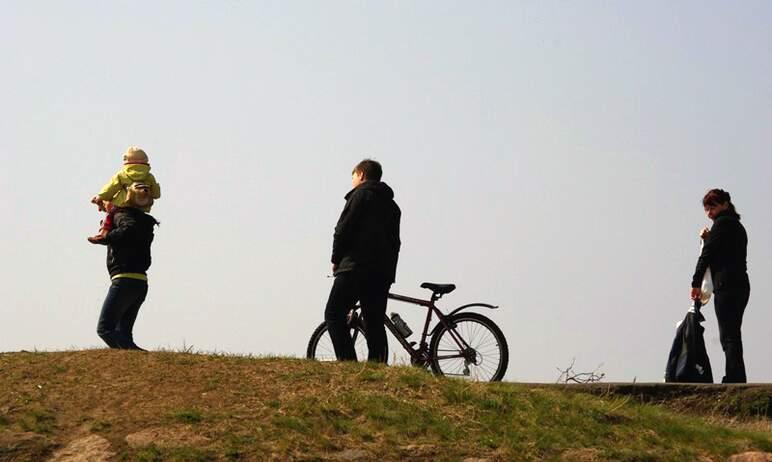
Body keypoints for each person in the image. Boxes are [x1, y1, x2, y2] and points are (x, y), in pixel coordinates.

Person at [325, 159, 401, 362]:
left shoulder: (360, 195)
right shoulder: (393, 206)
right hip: (382, 272)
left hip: (355, 267)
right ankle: (377, 366)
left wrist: (336, 259)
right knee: (374, 320)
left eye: (352, 176)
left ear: (361, 174)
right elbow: (396, 243)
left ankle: (348, 363)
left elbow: (342, 230)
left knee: (333, 314)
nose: (352, 181)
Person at [690, 189, 750, 383]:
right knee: (733, 332)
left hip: (726, 285)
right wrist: (710, 238)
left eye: (712, 207)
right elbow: (725, 252)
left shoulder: (721, 224)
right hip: (741, 284)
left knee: (728, 335)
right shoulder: (738, 227)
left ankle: (734, 377)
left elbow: (707, 255)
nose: (709, 213)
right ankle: (735, 375)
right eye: (707, 209)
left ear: (725, 203)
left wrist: (696, 283)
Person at [95, 205, 159, 350]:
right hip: (140, 282)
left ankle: (139, 356)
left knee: (105, 329)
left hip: (124, 280)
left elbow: (128, 230)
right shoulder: (142, 220)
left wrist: (106, 237)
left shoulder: (119, 215)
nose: (101, 208)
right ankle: (137, 364)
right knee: (123, 333)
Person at [88, 146, 161, 244]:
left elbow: (111, 188)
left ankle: (103, 233)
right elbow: (156, 194)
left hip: (122, 207)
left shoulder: (122, 174)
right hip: (141, 209)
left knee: (109, 215)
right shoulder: (149, 176)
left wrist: (100, 197)